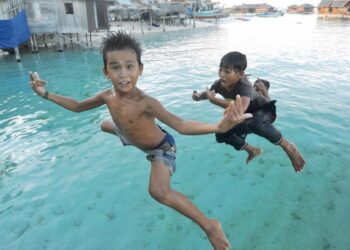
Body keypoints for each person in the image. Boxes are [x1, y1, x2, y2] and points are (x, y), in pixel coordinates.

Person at [30, 32, 253, 250]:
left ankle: (210, 226)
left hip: (161, 147)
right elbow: (78, 106)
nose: (123, 74)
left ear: (140, 69)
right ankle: (127, 132)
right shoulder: (107, 96)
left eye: (129, 66)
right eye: (115, 67)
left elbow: (182, 125)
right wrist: (45, 94)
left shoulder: (147, 102)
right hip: (131, 135)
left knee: (158, 191)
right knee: (104, 124)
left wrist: (218, 126)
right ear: (106, 71)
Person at [192, 51, 305, 172]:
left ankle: (288, 146)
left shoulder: (244, 87)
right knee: (220, 134)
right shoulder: (219, 84)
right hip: (246, 117)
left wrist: (214, 101)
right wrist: (199, 96)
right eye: (220, 70)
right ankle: (252, 150)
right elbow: (210, 93)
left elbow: (240, 109)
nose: (221, 74)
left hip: (264, 110)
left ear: (240, 74)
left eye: (227, 71)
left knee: (254, 123)